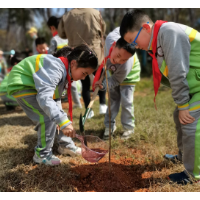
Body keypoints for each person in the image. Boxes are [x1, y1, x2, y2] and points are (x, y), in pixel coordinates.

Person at [120, 9, 200, 185]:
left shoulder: (169, 32)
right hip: (195, 86)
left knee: (189, 122)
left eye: (132, 40)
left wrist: (184, 105)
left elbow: (178, 72)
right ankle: (183, 156)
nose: (133, 46)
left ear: (146, 28)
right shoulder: (159, 38)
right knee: (177, 116)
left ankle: (194, 175)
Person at [7, 45, 98, 166]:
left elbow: (55, 99)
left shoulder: (65, 70)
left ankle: (66, 146)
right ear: (74, 64)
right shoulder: (56, 68)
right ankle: (42, 154)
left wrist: (62, 120)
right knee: (47, 117)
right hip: (22, 84)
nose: (83, 78)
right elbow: (44, 98)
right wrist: (61, 120)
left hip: (32, 84)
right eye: (84, 73)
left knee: (58, 114)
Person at [58, 8, 107, 118]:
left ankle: (88, 110)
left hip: (77, 52)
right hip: (95, 51)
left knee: (84, 83)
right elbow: (102, 29)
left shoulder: (67, 15)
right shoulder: (95, 13)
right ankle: (102, 105)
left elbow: (61, 34)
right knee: (100, 78)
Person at [94, 28, 141, 140]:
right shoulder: (110, 38)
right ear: (114, 45)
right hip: (114, 71)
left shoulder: (125, 65)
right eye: (118, 55)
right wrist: (101, 83)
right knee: (113, 98)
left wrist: (105, 85)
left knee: (126, 101)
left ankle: (128, 128)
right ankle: (109, 126)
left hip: (130, 74)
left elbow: (115, 80)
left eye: (124, 59)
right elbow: (120, 29)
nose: (119, 60)